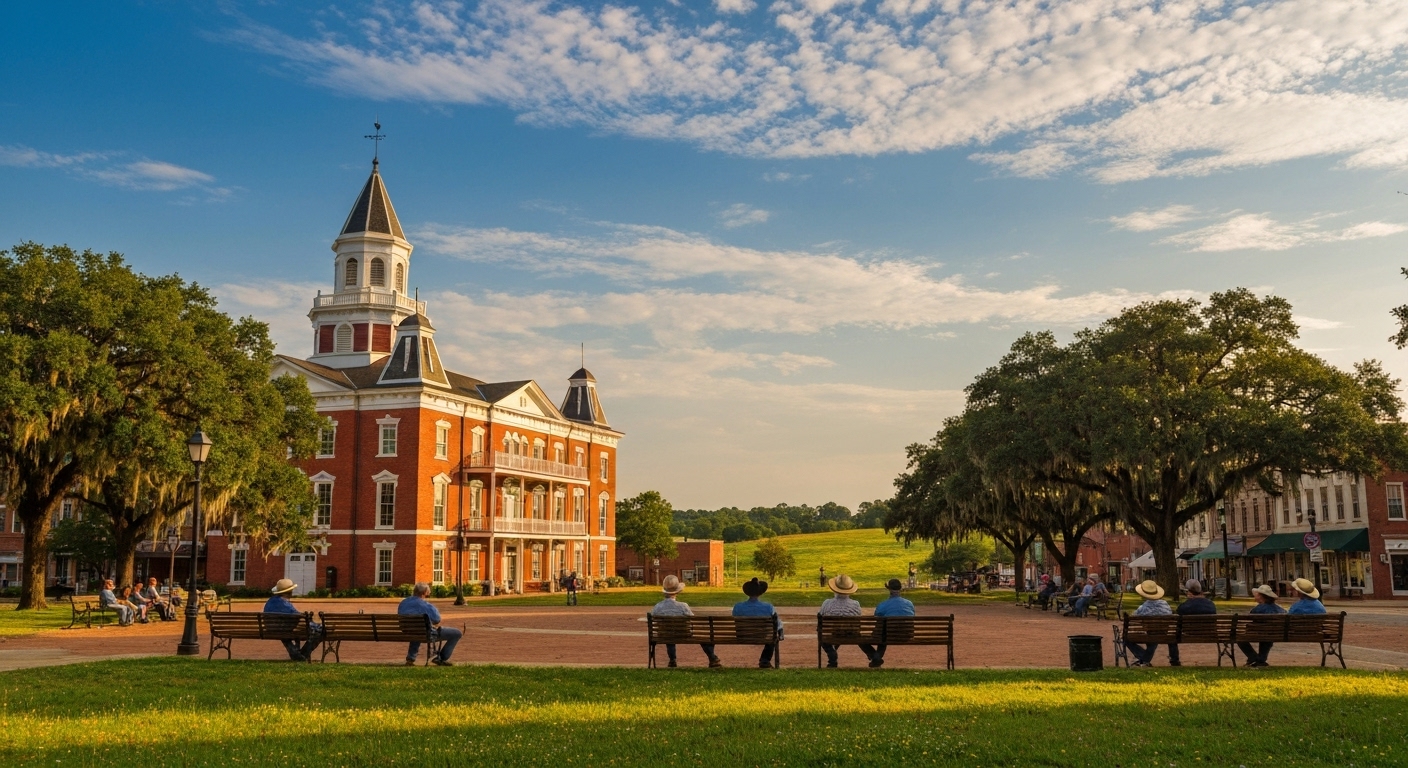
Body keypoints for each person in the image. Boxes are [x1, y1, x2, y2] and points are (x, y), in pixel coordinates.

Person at [652, 575, 720, 668]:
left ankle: (672, 660)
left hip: (664, 634)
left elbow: (653, 617)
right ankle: (713, 658)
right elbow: (692, 618)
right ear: (677, 592)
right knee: (703, 636)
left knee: (669, 634)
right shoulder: (683, 606)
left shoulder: (658, 606)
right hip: (683, 634)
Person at [398, 581, 463, 666]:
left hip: (408, 630)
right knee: (457, 633)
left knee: (417, 629)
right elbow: (437, 619)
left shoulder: (404, 603)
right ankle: (441, 658)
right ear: (425, 592)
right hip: (425, 632)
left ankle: (411, 658)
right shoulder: (425, 605)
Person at [263, 579, 323, 662]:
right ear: (289, 592)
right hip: (284, 629)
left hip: (271, 628)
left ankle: (297, 654)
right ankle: (304, 653)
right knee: (319, 629)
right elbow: (298, 615)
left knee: (289, 633)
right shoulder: (284, 603)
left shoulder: (271, 601)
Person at [732, 577, 782, 668]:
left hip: (742, 636)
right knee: (773, 637)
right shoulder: (768, 607)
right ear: (760, 593)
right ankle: (764, 661)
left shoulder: (737, 607)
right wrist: (780, 632)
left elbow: (735, 619)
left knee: (773, 634)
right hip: (762, 636)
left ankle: (713, 659)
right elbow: (777, 623)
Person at [1166, 578, 1217, 666]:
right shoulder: (1210, 604)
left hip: (1188, 633)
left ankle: (1174, 660)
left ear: (1189, 592)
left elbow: (1178, 621)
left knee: (1171, 636)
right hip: (1209, 633)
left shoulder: (1184, 606)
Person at [866, 578, 916, 668]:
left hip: (887, 636)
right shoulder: (909, 604)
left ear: (889, 589)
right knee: (884, 632)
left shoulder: (883, 605)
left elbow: (877, 616)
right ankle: (876, 659)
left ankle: (876, 658)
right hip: (906, 635)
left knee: (883, 632)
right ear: (900, 589)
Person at [818, 574, 865, 668]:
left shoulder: (827, 603)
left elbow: (820, 615)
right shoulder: (856, 604)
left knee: (823, 635)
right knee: (847, 629)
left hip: (834, 633)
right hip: (852, 634)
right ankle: (874, 656)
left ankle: (832, 656)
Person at [1123, 579, 1172, 667]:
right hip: (1164, 633)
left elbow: (1134, 618)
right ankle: (1145, 660)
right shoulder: (1165, 605)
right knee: (1154, 637)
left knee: (1126, 639)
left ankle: (1143, 658)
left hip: (1149, 633)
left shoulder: (1143, 608)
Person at [1237, 584, 1286, 667]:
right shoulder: (1280, 609)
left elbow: (1250, 618)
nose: (1255, 597)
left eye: (1257, 595)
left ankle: (1254, 658)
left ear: (1261, 597)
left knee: (1240, 639)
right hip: (1277, 634)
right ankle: (1261, 660)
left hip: (1260, 633)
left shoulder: (1258, 609)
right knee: (1267, 636)